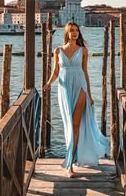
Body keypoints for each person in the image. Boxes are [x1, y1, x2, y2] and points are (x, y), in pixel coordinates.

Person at [44, 21, 110, 177]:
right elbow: (55, 72)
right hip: (64, 89)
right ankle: (72, 158)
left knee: (75, 125)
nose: (75, 33)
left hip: (80, 88)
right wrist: (48, 84)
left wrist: (90, 94)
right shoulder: (58, 51)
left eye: (77, 31)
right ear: (67, 32)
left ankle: (70, 165)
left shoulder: (83, 51)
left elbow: (85, 73)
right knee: (69, 126)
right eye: (72, 31)